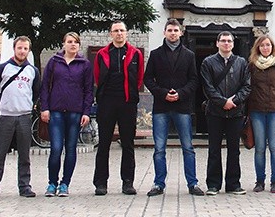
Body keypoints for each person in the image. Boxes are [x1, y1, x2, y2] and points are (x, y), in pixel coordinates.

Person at [143, 18, 204, 197]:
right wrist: (162, 93)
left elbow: (194, 80)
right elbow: (148, 79)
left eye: (176, 30)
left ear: (181, 33)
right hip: (161, 106)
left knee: (188, 147)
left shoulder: (189, 55)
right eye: (169, 30)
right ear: (164, 32)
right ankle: (158, 183)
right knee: (160, 148)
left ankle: (192, 183)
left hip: (182, 106)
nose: (172, 33)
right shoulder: (155, 54)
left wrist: (181, 93)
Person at [0, 36, 41, 199]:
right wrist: (2, 102)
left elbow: (36, 91)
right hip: (6, 116)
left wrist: (29, 104)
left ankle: (24, 186)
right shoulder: (3, 68)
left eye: (25, 49)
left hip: (24, 116)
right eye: (19, 48)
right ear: (14, 49)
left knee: (24, 154)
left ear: (28, 51)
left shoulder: (32, 71)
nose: (22, 51)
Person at [93, 21, 144, 196]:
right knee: (104, 144)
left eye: (122, 30)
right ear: (111, 34)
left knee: (128, 144)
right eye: (116, 31)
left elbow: (139, 79)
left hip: (127, 104)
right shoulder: (102, 54)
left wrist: (130, 95)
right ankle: (101, 183)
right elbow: (98, 77)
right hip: (107, 103)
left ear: (127, 33)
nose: (119, 33)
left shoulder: (135, 54)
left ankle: (128, 182)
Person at [41, 32, 93, 197]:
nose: (73, 45)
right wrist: (44, 107)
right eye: (69, 42)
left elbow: (88, 90)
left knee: (71, 149)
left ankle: (65, 183)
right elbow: (45, 86)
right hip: (56, 112)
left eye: (76, 42)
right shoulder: (54, 62)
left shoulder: (84, 64)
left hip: (75, 113)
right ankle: (52, 183)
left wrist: (86, 111)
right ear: (63, 44)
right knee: (56, 148)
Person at [201, 31, 251, 196]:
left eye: (229, 41)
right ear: (217, 43)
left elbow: (247, 86)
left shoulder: (242, 62)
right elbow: (207, 88)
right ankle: (213, 185)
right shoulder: (208, 62)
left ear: (233, 44)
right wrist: (223, 102)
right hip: (215, 112)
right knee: (214, 149)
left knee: (234, 149)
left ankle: (233, 184)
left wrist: (234, 101)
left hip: (236, 113)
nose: (226, 44)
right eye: (223, 41)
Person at [246, 34, 275, 194]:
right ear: (258, 48)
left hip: (274, 111)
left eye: (268, 45)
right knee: (260, 148)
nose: (265, 48)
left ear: (272, 47)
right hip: (257, 111)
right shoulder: (251, 65)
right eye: (262, 45)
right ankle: (260, 181)